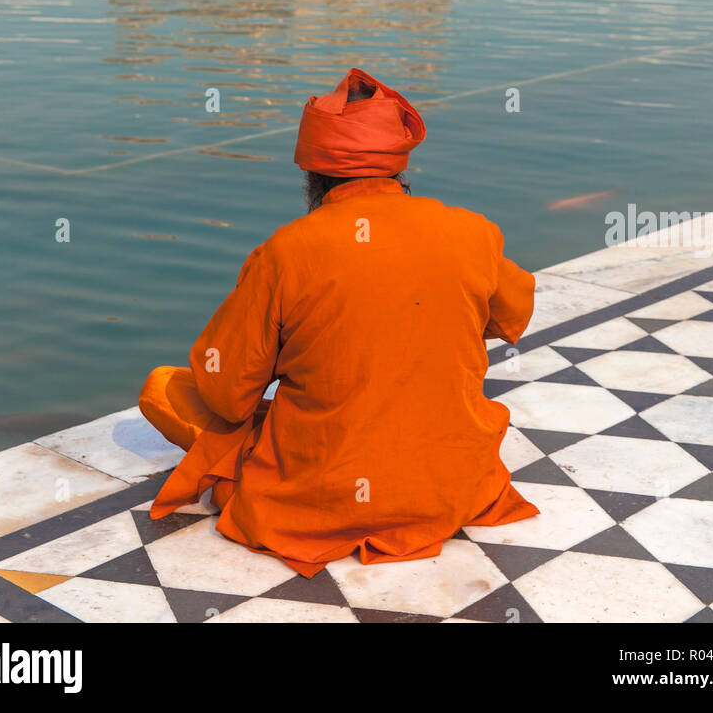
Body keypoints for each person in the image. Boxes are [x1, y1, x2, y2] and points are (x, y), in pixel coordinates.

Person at [139, 67, 538, 576]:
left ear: (313, 174)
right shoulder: (473, 232)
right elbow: (512, 313)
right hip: (453, 488)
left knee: (163, 387)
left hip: (319, 496)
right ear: (398, 165)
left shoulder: (286, 252)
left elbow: (227, 392)